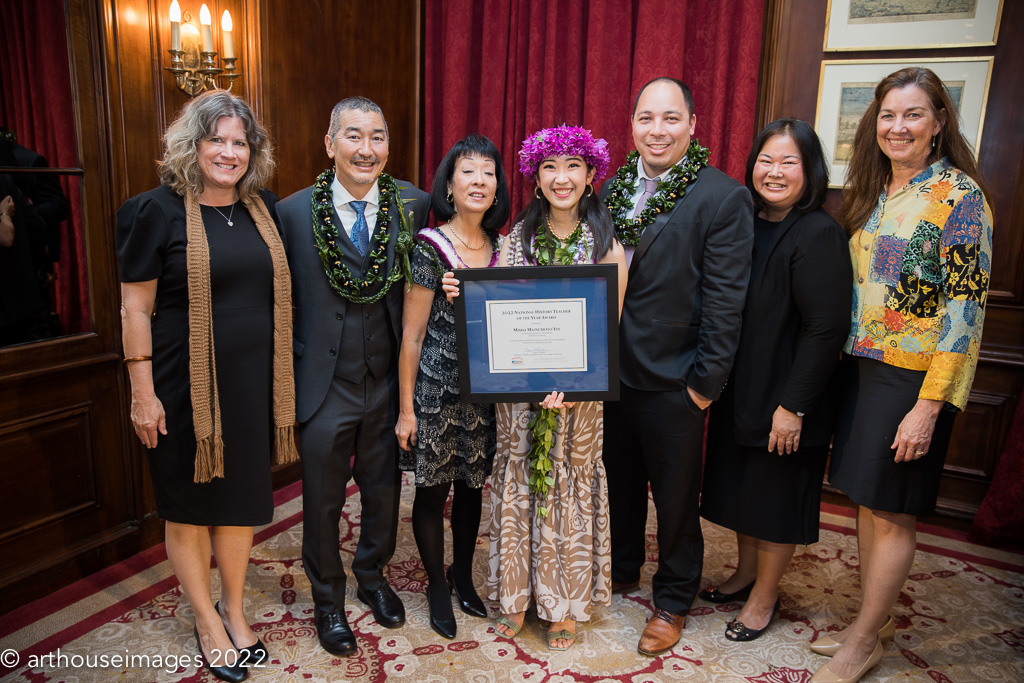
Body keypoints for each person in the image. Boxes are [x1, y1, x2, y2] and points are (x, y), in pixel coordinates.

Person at [810, 67, 992, 683]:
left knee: (892, 511)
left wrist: (930, 404)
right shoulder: (873, 191)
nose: (898, 126)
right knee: (867, 501)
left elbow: (966, 313)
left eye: (913, 114)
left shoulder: (961, 199)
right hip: (861, 368)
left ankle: (863, 639)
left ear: (938, 122)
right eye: (888, 115)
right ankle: (874, 618)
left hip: (914, 379)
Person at [116, 90, 298, 683]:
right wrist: (142, 392)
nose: (228, 151)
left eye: (239, 142)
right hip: (180, 386)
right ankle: (205, 618)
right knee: (191, 506)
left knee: (239, 503)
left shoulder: (261, 208)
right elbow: (134, 308)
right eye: (215, 139)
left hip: (250, 387)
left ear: (254, 152)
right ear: (190, 146)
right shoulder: (155, 211)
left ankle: (234, 607)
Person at [599, 77, 754, 656]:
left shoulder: (721, 196)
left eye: (670, 119)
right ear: (632, 125)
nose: (656, 130)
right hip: (611, 375)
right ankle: (622, 569)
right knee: (618, 484)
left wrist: (703, 388)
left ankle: (673, 599)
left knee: (675, 499)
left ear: (692, 124)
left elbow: (725, 300)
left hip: (677, 381)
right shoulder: (609, 192)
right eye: (645, 118)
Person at [276, 96, 430, 656]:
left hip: (387, 382)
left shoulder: (413, 203)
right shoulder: (291, 214)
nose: (367, 149)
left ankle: (372, 576)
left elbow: (427, 278)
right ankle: (327, 600)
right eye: (354, 136)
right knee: (320, 501)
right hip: (322, 384)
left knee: (385, 491)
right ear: (330, 143)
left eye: (378, 137)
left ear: (388, 145)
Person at [698, 118, 852, 642]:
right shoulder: (745, 220)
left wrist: (794, 406)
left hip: (786, 393)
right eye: (766, 159)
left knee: (776, 499)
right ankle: (745, 574)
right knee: (744, 490)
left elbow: (826, 329)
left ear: (811, 171)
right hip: (741, 385)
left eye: (790, 162)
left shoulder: (818, 232)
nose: (775, 171)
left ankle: (764, 598)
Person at [484, 124, 627, 651]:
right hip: (519, 395)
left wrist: (570, 382)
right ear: (535, 177)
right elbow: (497, 316)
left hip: (580, 397)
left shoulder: (607, 245)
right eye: (550, 167)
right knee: (523, 479)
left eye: (573, 166)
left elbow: (607, 330)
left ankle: (565, 603)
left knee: (568, 481)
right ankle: (516, 598)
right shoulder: (512, 242)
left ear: (591, 176)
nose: (561, 177)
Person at [395, 134, 510, 639]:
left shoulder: (506, 248)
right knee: (432, 490)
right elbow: (412, 336)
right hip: (436, 394)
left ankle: (462, 575)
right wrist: (406, 411)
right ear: (449, 182)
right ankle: (436, 587)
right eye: (469, 170)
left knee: (471, 489)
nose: (479, 180)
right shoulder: (430, 245)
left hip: (484, 396)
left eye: (488, 172)